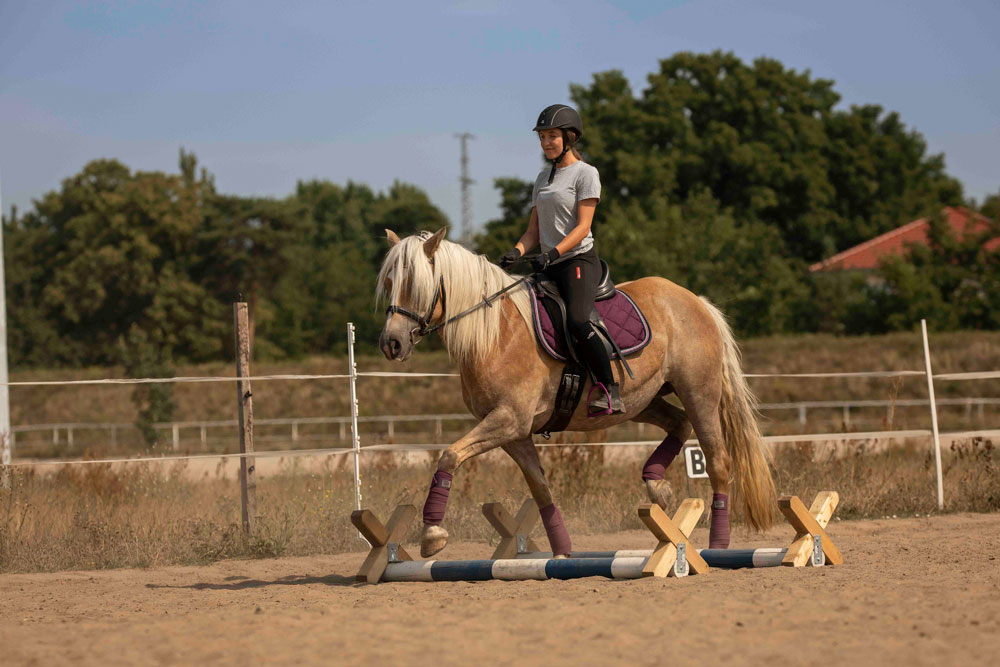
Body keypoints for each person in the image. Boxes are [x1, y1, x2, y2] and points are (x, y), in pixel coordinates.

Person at [499, 104, 624, 415]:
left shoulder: (586, 174)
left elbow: (583, 227)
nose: (546, 143)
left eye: (552, 136)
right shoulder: (542, 178)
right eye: (542, 137)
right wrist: (516, 251)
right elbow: (534, 231)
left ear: (570, 137)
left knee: (580, 320)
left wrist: (553, 253)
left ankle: (609, 388)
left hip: (578, 262)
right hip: (548, 262)